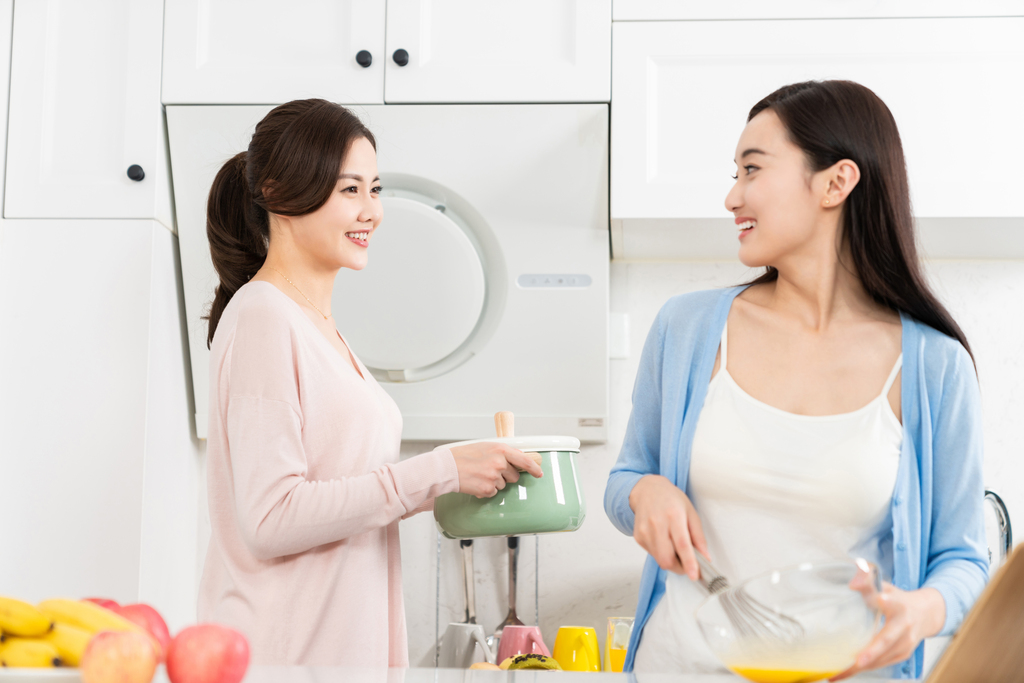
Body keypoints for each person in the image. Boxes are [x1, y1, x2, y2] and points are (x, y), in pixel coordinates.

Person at [604, 80, 988, 679]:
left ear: (836, 182)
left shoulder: (933, 366)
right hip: (679, 667)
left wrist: (921, 610)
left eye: (752, 170)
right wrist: (644, 493)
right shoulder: (687, 330)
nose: (733, 197)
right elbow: (626, 478)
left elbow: (963, 561)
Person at [197, 99, 543, 666]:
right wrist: (440, 470)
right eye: (349, 190)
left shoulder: (319, 327)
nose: (372, 211)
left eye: (374, 189)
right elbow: (269, 517)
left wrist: (451, 480)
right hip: (284, 661)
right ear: (282, 192)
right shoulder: (263, 315)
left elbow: (351, 495)